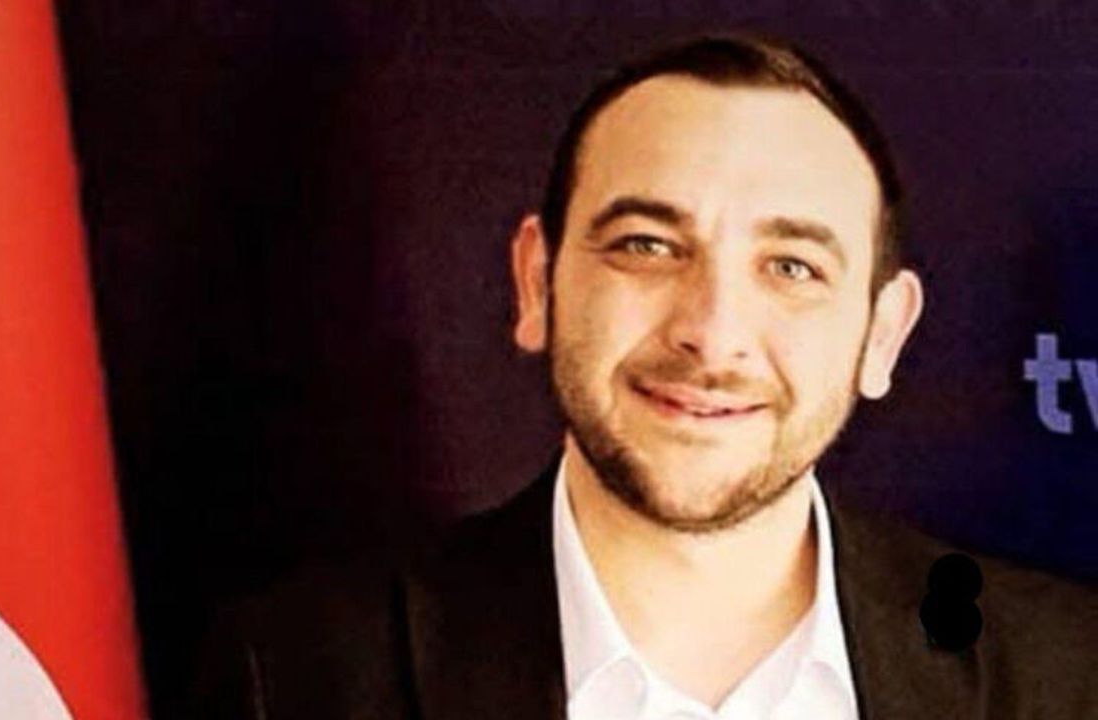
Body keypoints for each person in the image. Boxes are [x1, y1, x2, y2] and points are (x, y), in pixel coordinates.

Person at [191, 35, 1098, 719]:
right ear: (537, 282)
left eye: (791, 267)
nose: (711, 332)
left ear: (882, 336)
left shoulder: (1067, 675)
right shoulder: (297, 677)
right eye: (647, 246)